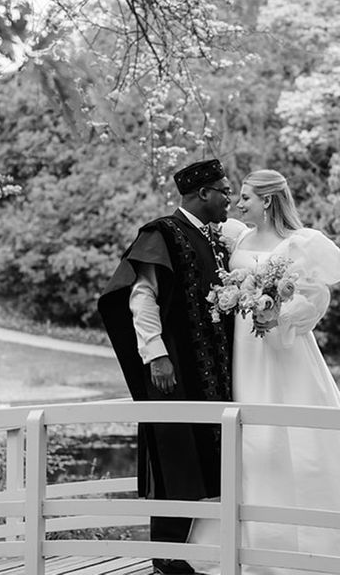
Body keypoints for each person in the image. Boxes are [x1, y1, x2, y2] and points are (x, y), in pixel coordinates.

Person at [189, 168, 340, 575]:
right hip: (244, 352)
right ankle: (254, 543)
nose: (238, 204)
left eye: (247, 198)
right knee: (252, 437)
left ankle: (325, 542)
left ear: (268, 200)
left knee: (302, 436)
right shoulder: (237, 237)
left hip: (283, 351)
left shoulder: (299, 244)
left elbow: (314, 297)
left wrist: (277, 314)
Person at [98, 158, 240, 575]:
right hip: (174, 365)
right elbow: (141, 297)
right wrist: (156, 355)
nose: (228, 198)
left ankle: (200, 550)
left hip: (211, 369)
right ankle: (166, 557)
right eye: (224, 191)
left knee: (207, 455)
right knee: (174, 451)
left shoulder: (214, 239)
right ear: (203, 194)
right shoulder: (162, 233)